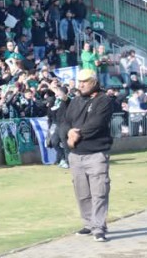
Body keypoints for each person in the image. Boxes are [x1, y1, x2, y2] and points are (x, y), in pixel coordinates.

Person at [65, 69, 114, 242]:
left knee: (99, 192)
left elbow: (97, 124)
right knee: (82, 193)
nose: (81, 85)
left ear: (94, 82)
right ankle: (88, 223)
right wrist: (69, 133)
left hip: (96, 154)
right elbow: (65, 121)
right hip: (76, 154)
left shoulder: (104, 100)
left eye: (84, 81)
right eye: (79, 82)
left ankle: (99, 227)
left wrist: (76, 135)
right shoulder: (76, 101)